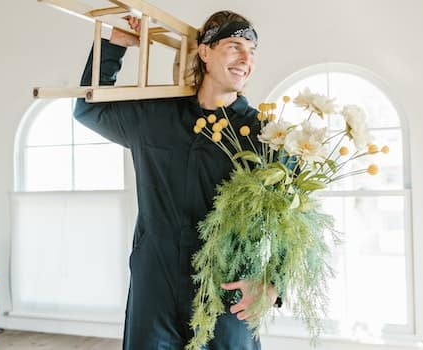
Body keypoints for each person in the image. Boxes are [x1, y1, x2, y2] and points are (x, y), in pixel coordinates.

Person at [73, 10, 278, 349]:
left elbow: (291, 217)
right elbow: (88, 109)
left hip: (227, 286)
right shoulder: (156, 116)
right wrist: (117, 45)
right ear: (205, 51)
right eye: (234, 46)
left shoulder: (265, 134)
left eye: (252, 51)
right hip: (156, 284)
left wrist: (273, 283)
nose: (246, 59)